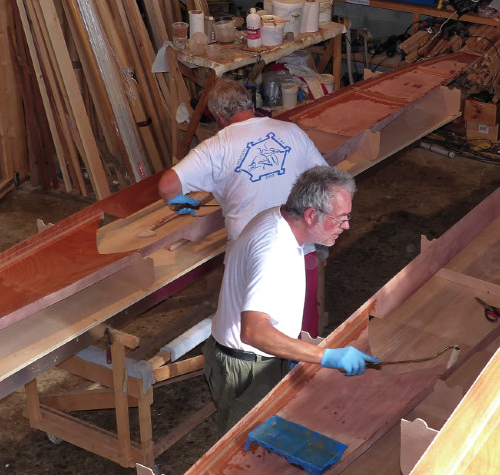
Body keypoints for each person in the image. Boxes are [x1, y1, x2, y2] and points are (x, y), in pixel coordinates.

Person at [204, 166, 380, 434]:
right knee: (245, 446)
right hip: (247, 367)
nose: (347, 226)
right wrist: (325, 356)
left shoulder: (279, 217)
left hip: (264, 357)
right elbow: (253, 331)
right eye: (341, 218)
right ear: (310, 215)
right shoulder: (274, 251)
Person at [157, 76, 326, 246]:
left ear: (220, 118)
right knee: (313, 257)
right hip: (297, 240)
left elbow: (167, 186)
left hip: (250, 248)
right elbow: (325, 178)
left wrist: (177, 201)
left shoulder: (213, 148)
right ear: (252, 106)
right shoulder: (291, 130)